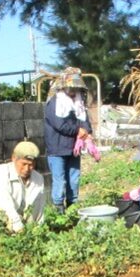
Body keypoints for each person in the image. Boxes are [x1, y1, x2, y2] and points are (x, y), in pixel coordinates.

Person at [0, 141, 46, 233]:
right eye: (23, 164)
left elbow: (39, 207)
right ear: (14, 158)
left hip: (23, 222)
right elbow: (4, 203)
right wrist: (18, 227)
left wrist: (38, 229)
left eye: (31, 165)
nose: (27, 169)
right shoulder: (1, 172)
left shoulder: (38, 178)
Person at [43, 67, 91, 211]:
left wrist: (86, 131)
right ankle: (58, 213)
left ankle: (72, 210)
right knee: (60, 181)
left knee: (74, 180)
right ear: (63, 85)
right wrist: (78, 130)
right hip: (57, 149)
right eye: (71, 87)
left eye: (75, 87)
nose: (73, 90)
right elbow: (60, 125)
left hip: (73, 149)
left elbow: (85, 121)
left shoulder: (79, 102)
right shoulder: (54, 103)